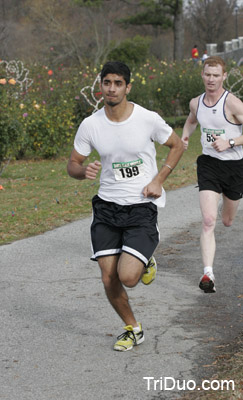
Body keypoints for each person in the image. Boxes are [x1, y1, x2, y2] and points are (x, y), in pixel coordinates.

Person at [67, 61, 184, 351]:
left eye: (118, 83)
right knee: (108, 277)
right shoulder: (91, 124)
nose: (112, 88)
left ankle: (143, 258)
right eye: (107, 82)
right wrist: (84, 172)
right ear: (101, 86)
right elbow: (73, 164)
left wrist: (159, 179)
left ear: (128, 87)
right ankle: (133, 328)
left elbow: (178, 145)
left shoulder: (147, 119)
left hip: (141, 206)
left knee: (128, 277)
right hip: (107, 207)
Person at [182, 56, 243, 294]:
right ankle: (208, 273)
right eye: (208, 74)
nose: (211, 79)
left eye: (216, 75)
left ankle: (223, 205)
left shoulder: (233, 103)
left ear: (224, 77)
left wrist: (230, 141)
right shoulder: (196, 103)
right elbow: (191, 121)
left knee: (227, 221)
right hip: (208, 164)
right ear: (202, 75)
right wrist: (185, 136)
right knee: (208, 221)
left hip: (235, 167)